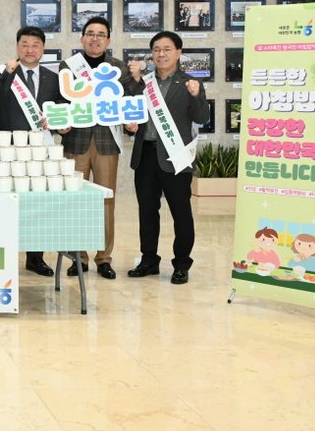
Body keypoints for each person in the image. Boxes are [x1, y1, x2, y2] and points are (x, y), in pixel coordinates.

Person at [124, 30, 209, 285]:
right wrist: (129, 126)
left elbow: (201, 117)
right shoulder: (143, 83)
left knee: (181, 214)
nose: (161, 54)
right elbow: (130, 114)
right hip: (146, 155)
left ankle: (181, 264)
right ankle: (149, 260)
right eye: (157, 49)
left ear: (179, 53)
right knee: (147, 212)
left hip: (176, 157)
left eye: (167, 49)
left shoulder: (190, 83)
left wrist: (196, 95)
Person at [58, 16, 135, 280]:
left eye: (100, 34)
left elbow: (128, 102)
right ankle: (78, 257)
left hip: (106, 143)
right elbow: (61, 101)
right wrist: (60, 124)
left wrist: (131, 123)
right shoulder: (69, 66)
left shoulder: (118, 67)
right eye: (90, 33)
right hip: (75, 141)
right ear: (82, 38)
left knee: (106, 201)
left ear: (108, 40)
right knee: (74, 200)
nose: (95, 38)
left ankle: (104, 258)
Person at [0, 26, 66, 277]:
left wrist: (58, 122)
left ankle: (35, 258)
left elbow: (62, 108)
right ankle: (3, 255)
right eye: (24, 44)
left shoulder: (53, 77)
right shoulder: (4, 73)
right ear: (17, 47)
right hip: (10, 150)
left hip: (41, 150)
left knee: (38, 204)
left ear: (43, 49)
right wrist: (7, 75)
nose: (29, 49)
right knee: (8, 203)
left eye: (35, 45)